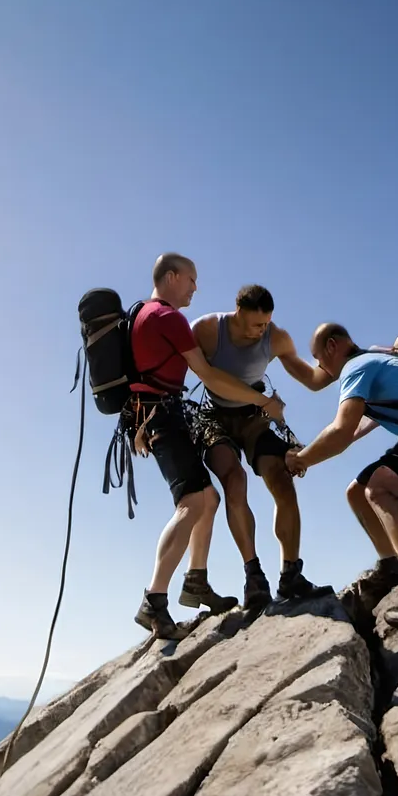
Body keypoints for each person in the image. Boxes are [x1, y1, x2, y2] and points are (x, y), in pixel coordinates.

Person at [127, 254, 287, 640]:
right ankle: (154, 600)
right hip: (164, 417)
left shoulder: (138, 315)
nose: (195, 288)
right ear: (172, 276)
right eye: (191, 280)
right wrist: (264, 402)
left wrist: (135, 424)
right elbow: (210, 375)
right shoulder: (168, 318)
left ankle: (195, 580)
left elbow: (136, 376)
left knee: (208, 498)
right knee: (193, 503)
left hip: (154, 416)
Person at [285, 322, 398, 631]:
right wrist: (309, 451)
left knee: (379, 489)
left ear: (332, 346)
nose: (320, 367)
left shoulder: (357, 367)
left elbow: (341, 431)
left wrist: (301, 460)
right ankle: (391, 567)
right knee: (357, 492)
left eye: (318, 357)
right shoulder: (375, 359)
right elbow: (358, 427)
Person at [189, 285, 335, 612]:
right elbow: (205, 376)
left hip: (255, 417)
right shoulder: (207, 330)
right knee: (234, 480)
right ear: (238, 313)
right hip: (214, 416)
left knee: (283, 481)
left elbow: (312, 379)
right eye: (256, 324)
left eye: (266, 322)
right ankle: (253, 576)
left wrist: (344, 360)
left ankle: (291, 575)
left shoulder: (276, 337)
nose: (261, 330)